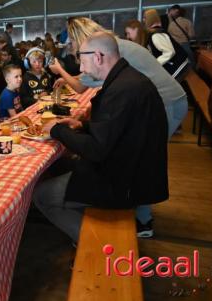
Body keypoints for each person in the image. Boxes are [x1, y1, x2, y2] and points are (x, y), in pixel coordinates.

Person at [49, 17, 188, 237]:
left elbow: (81, 89)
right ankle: (135, 208)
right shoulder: (113, 52)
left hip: (168, 102)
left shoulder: (112, 64)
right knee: (138, 153)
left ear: (93, 52)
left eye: (78, 53)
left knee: (142, 157)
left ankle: (140, 220)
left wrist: (57, 130)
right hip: (152, 102)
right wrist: (84, 125)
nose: (78, 60)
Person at [144, 9, 189, 82]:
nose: (143, 20)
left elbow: (169, 52)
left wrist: (154, 63)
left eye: (145, 18)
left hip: (179, 66)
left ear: (150, 19)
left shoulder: (156, 34)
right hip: (180, 64)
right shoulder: (157, 31)